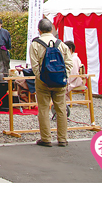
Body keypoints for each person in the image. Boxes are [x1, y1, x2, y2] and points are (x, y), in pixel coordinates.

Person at [29, 18, 73, 147]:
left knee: (43, 109)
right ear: (52, 29)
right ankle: (62, 139)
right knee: (61, 110)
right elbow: (68, 62)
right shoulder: (61, 44)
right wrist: (64, 75)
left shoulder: (35, 44)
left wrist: (41, 77)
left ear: (39, 30)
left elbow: (34, 65)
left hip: (43, 82)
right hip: (60, 81)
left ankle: (46, 138)